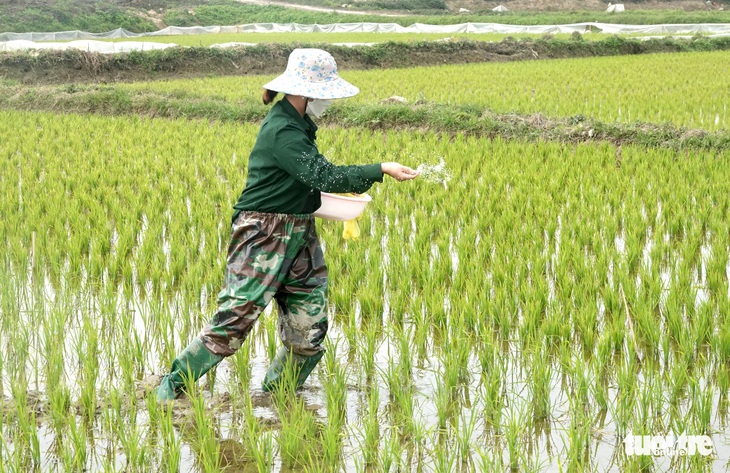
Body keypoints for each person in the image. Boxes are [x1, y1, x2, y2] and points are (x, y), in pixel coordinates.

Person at [156, 48, 419, 401]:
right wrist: (381, 168)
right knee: (235, 317)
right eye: (324, 94)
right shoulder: (282, 130)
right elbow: (321, 174)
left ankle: (278, 396)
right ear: (306, 93)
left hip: (299, 232)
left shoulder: (299, 125)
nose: (327, 101)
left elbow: (303, 183)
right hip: (263, 234)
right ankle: (172, 385)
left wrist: (316, 205)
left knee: (310, 324)